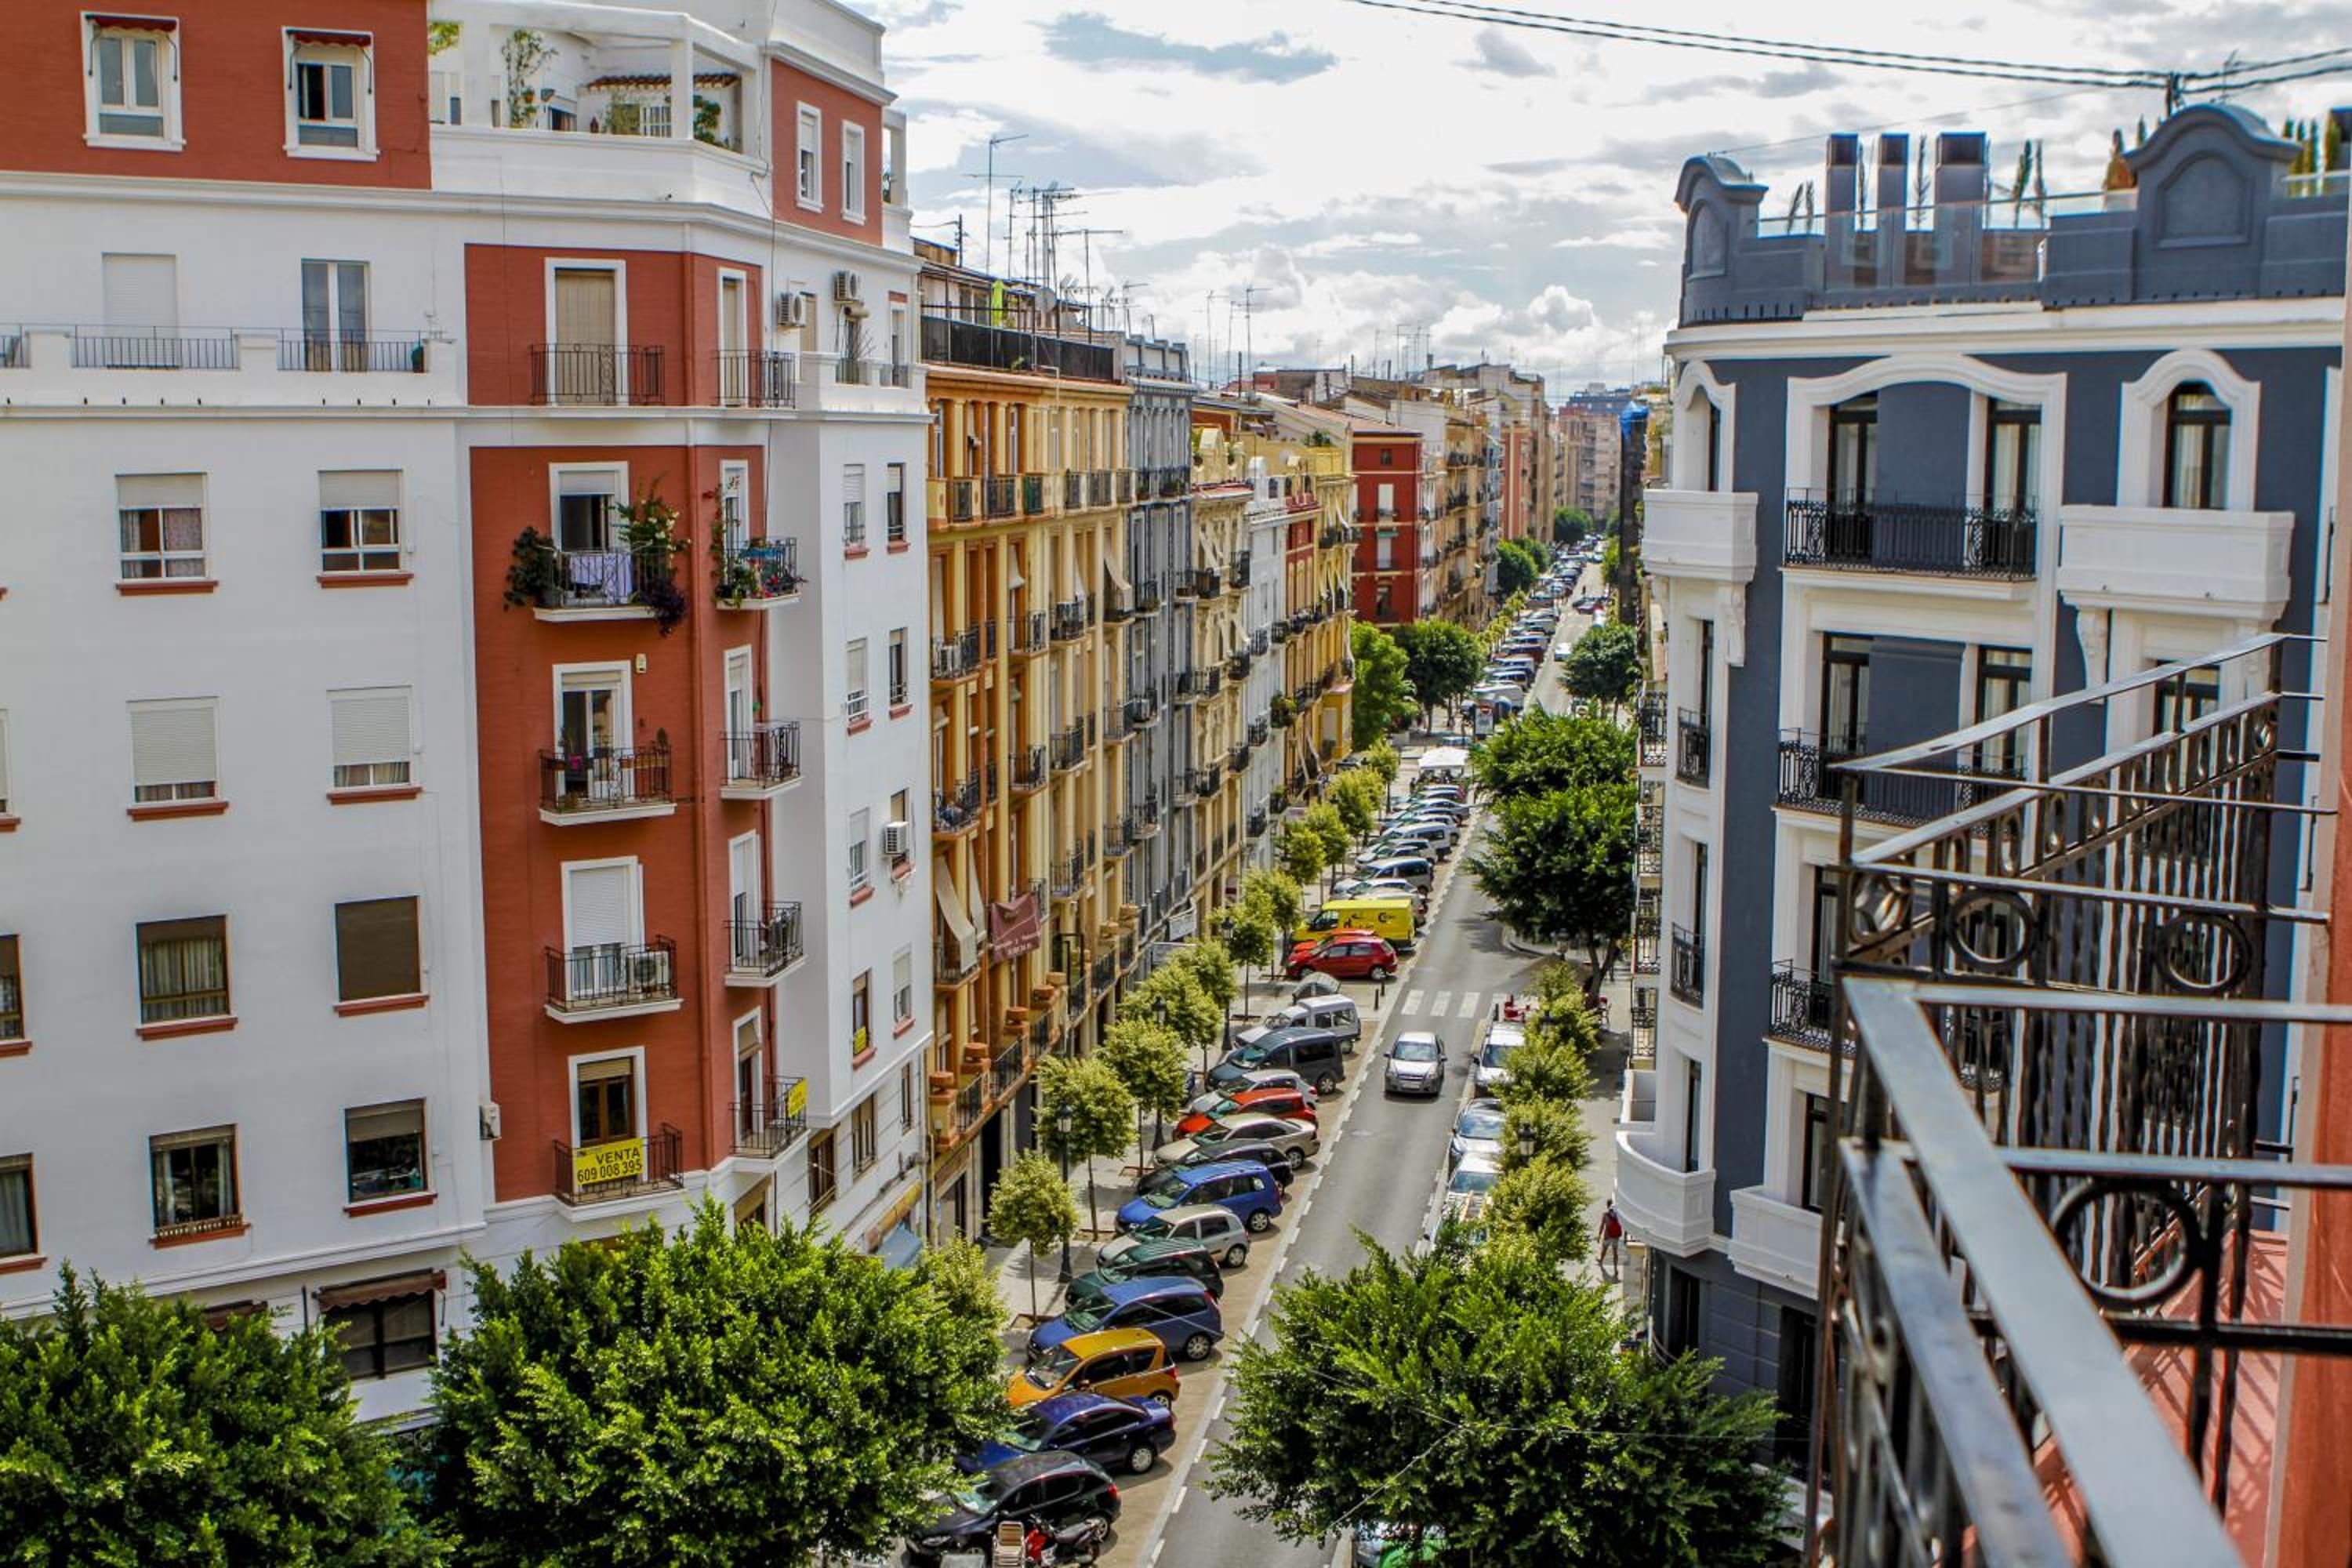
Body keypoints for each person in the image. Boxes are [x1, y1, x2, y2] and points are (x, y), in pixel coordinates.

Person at [1596, 1198, 1625, 1282]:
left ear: (1607, 1205)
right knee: (1615, 1252)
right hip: (1616, 1237)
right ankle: (1615, 1268)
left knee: (1604, 1249)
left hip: (1607, 1236)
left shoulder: (1605, 1215)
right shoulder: (1618, 1215)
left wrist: (1599, 1235)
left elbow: (1602, 1226)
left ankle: (1601, 1261)